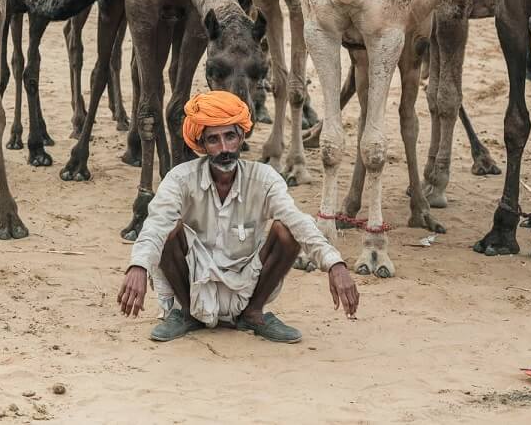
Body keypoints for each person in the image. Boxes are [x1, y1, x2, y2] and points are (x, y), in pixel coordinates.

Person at [117, 91, 359, 344]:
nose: (224, 149)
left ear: (242, 136)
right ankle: (187, 314)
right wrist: (138, 266)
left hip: (248, 280)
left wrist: (335, 264)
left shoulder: (264, 179)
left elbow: (297, 220)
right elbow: (155, 224)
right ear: (201, 144)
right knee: (169, 228)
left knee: (287, 229)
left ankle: (254, 314)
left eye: (230, 136)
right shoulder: (179, 179)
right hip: (194, 281)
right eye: (213, 140)